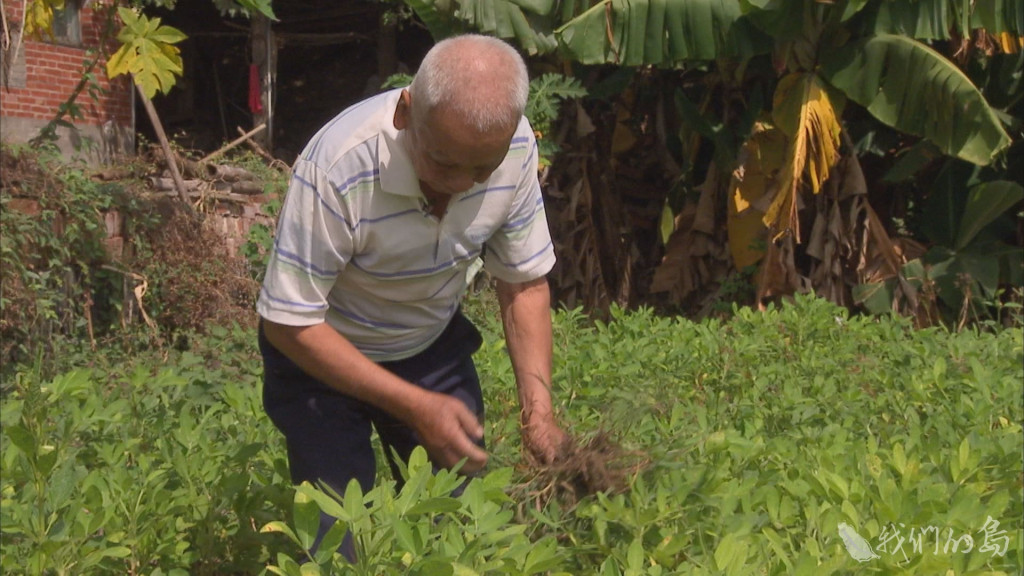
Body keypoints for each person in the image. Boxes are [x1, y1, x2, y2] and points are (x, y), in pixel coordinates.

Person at [256, 34, 568, 556]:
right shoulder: (338, 166)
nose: (466, 184)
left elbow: (523, 283)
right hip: (321, 356)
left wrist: (538, 415)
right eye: (445, 163)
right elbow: (289, 323)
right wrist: (415, 406)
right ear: (406, 113)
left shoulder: (511, 149)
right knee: (340, 542)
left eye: (482, 169)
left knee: (462, 527)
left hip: (428, 344)